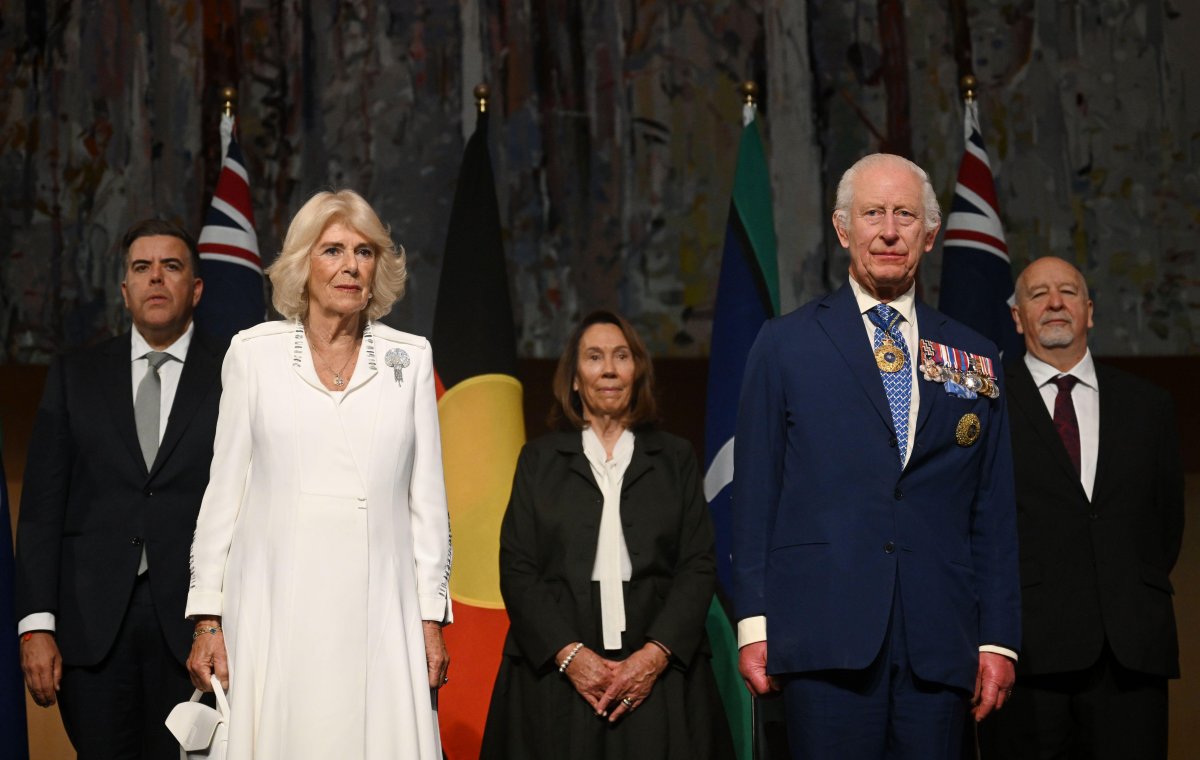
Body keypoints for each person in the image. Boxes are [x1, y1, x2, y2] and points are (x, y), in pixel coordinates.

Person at [732, 153, 1021, 758]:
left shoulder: (975, 355)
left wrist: (998, 640)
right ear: (844, 230)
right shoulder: (784, 345)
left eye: (905, 215)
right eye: (873, 213)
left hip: (940, 643)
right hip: (822, 636)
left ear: (931, 233)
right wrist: (754, 624)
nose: (889, 231)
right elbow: (756, 497)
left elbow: (992, 512)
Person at [184, 189, 452, 759]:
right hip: (275, 609)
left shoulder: (411, 359)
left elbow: (427, 503)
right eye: (332, 250)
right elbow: (222, 495)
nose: (351, 266)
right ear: (304, 264)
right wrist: (208, 618)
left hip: (382, 612)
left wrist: (431, 620)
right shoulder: (253, 355)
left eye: (364, 251)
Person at [480, 310, 734, 760]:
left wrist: (653, 657)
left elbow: (697, 564)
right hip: (557, 673)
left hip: (659, 670)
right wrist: (570, 656)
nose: (610, 369)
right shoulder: (538, 460)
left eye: (621, 356)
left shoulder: (674, 458)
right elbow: (517, 568)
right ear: (575, 379)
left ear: (637, 372)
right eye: (594, 357)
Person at [15, 219, 224, 758]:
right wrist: (36, 625)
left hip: (195, 631)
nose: (156, 278)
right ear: (125, 290)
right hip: (90, 632)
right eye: (141, 267)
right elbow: (41, 509)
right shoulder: (74, 375)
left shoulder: (234, 374)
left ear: (195, 289)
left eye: (172, 266)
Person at [976, 257, 1184, 759]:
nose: (1054, 303)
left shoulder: (1149, 406)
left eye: (1068, 292)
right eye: (1038, 293)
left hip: (1131, 656)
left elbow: (1165, 526)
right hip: (1026, 657)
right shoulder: (986, 405)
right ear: (1017, 316)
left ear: (1089, 311)